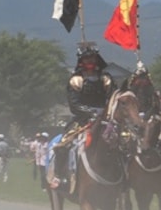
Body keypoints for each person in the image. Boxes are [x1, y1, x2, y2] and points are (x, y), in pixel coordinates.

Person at [49, 43, 115, 190]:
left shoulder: (106, 78)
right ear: (81, 61)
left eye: (92, 58)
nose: (90, 61)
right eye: (86, 59)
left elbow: (112, 97)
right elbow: (74, 104)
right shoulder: (76, 80)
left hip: (105, 117)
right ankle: (59, 176)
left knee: (124, 141)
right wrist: (91, 113)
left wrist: (105, 112)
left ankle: (123, 178)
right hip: (82, 119)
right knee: (64, 143)